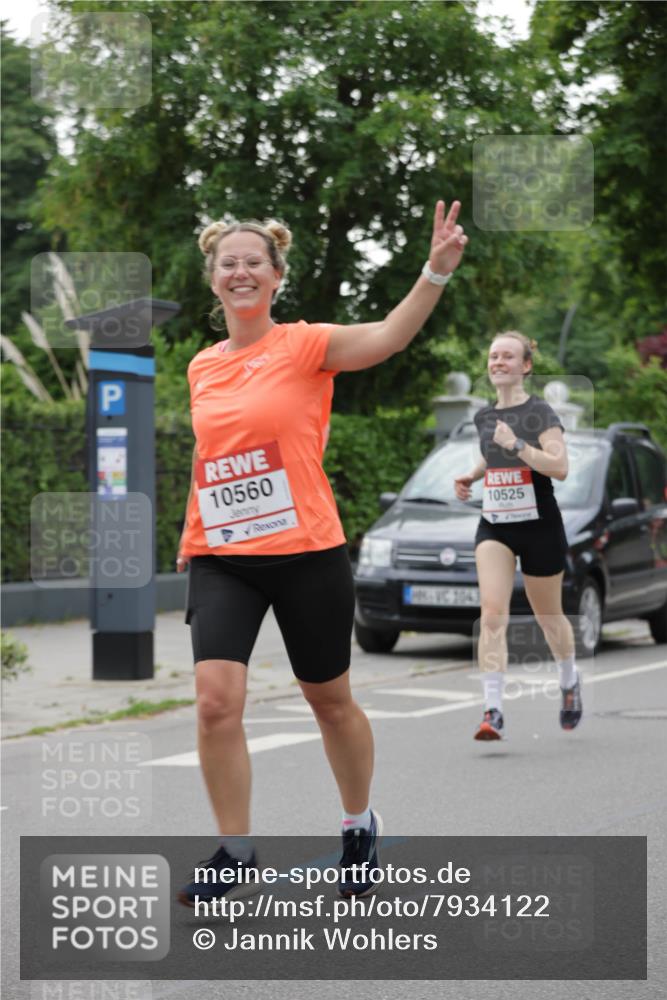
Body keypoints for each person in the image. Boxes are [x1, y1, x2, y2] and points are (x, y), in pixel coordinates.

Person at [176, 200, 468, 905]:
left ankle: (358, 823)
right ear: (213, 280)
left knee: (329, 701)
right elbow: (211, 458)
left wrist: (433, 270)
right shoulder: (202, 366)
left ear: (274, 275)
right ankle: (235, 849)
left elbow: (390, 337)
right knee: (216, 703)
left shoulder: (306, 345)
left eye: (253, 262)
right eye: (228, 264)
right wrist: (192, 536)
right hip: (224, 557)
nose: (240, 272)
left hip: (307, 550)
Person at [454, 332, 583, 740]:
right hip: (495, 523)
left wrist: (519, 444)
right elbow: (491, 451)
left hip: (540, 525)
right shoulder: (483, 416)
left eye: (508, 356)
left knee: (549, 618)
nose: (498, 362)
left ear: (525, 366)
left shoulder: (540, 413)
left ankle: (569, 678)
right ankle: (493, 711)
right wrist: (472, 475)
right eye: (493, 356)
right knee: (492, 614)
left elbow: (559, 467)